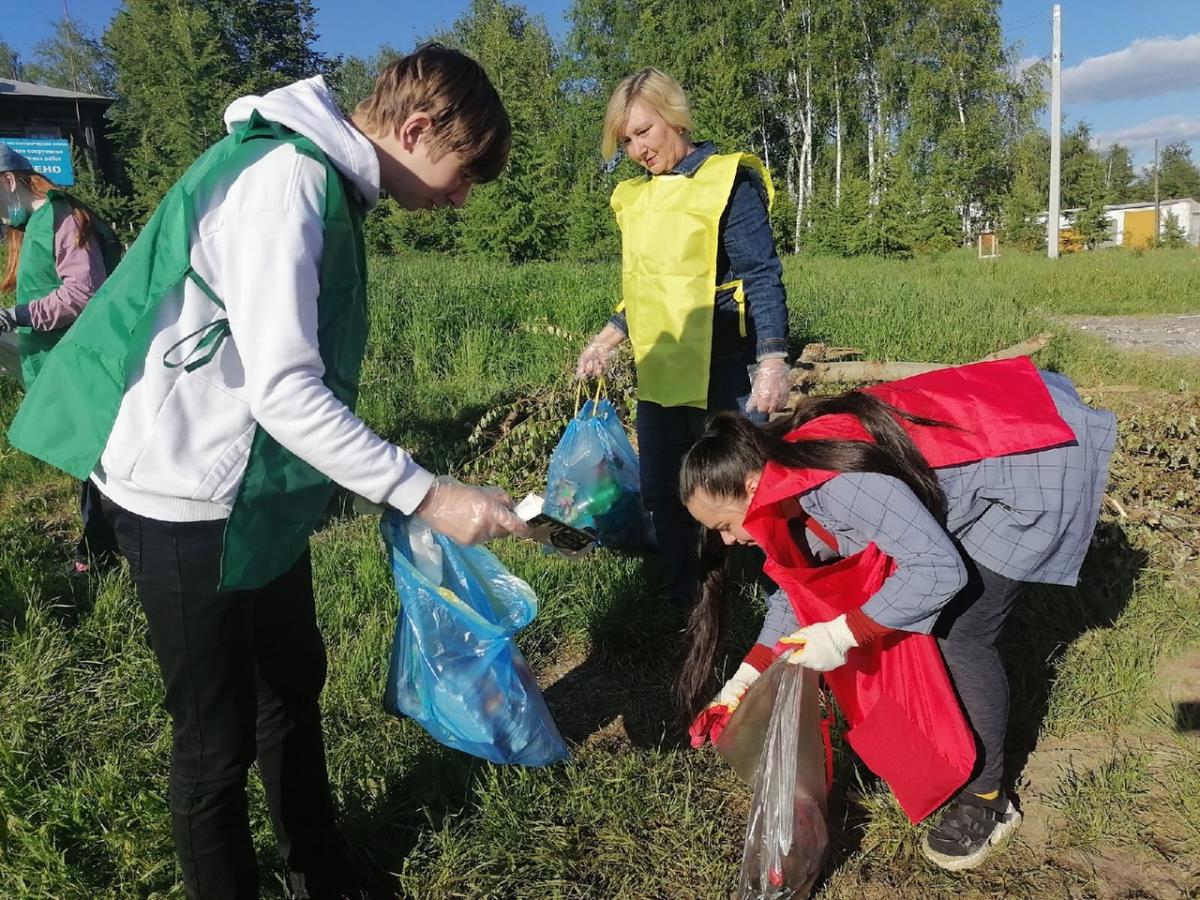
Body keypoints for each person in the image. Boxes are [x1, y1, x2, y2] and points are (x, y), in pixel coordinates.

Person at [8, 43, 528, 899]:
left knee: (291, 683)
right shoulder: (286, 180)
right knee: (215, 741)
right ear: (419, 127)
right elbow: (287, 392)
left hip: (251, 494)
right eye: (464, 174)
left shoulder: (319, 177)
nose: (462, 198)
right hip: (181, 495)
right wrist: (429, 495)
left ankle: (319, 870)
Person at [677, 357, 1115, 872]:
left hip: (1035, 460)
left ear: (752, 487)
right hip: (1007, 422)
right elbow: (799, 591)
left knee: (961, 630)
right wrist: (745, 678)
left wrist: (845, 634)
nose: (729, 541)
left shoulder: (834, 483)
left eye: (726, 526)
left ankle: (989, 799)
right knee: (920, 604)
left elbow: (938, 573)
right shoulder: (781, 475)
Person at [575, 67, 791, 607]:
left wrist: (772, 359)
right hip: (662, 371)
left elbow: (762, 274)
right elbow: (644, 290)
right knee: (667, 493)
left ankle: (778, 606)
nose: (637, 149)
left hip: (724, 367)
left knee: (747, 491)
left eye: (643, 131)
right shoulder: (638, 199)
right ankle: (683, 601)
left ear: (674, 117)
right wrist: (606, 339)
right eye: (625, 140)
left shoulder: (725, 180)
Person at [0, 142, 123, 572]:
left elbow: (82, 294)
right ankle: (100, 546)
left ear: (9, 180)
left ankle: (100, 551)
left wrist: (14, 317)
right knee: (91, 457)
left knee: (101, 457)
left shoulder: (63, 217)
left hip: (90, 359)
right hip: (64, 360)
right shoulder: (34, 225)